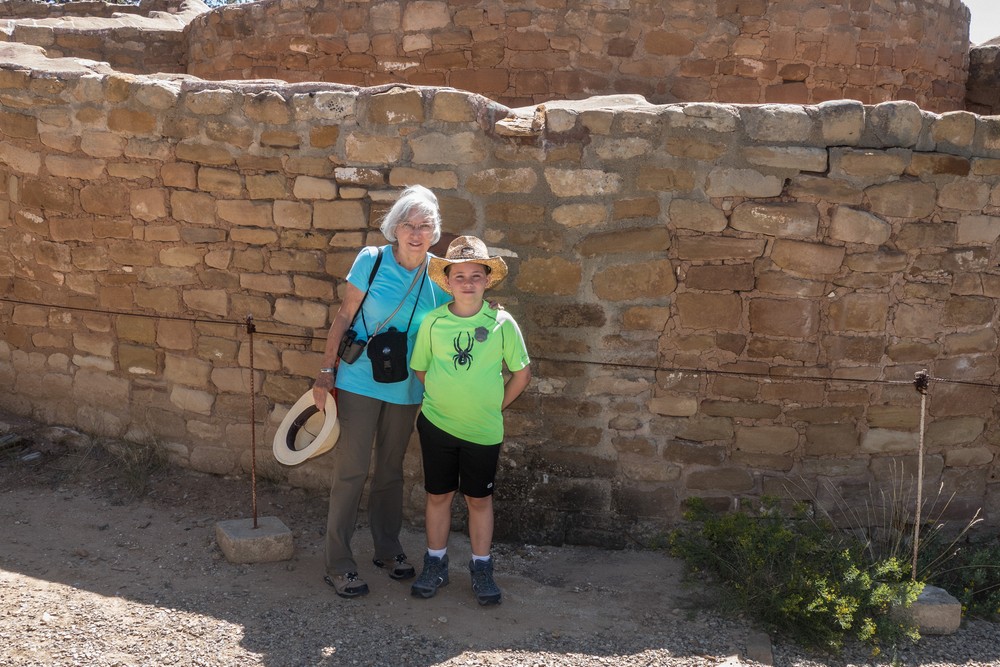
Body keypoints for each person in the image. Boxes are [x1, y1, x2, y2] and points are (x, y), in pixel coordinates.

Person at [311, 185, 450, 599]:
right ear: (394, 227)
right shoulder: (371, 261)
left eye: (425, 225)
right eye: (408, 224)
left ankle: (387, 550)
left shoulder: (438, 276)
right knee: (351, 470)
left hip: (407, 387)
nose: (415, 232)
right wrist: (324, 372)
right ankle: (337, 562)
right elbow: (343, 316)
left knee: (390, 472)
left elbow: (456, 317)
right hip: (358, 383)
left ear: (434, 231)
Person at [408, 236, 531, 606]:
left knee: (479, 499)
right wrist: (446, 400)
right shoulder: (433, 322)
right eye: (459, 275)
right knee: (438, 495)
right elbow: (421, 369)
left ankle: (481, 567)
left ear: (487, 281)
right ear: (447, 280)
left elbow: (521, 375)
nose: (467, 282)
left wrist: (494, 407)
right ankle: (435, 562)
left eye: (475, 275)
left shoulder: (502, 322)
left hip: (483, 430)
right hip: (437, 425)